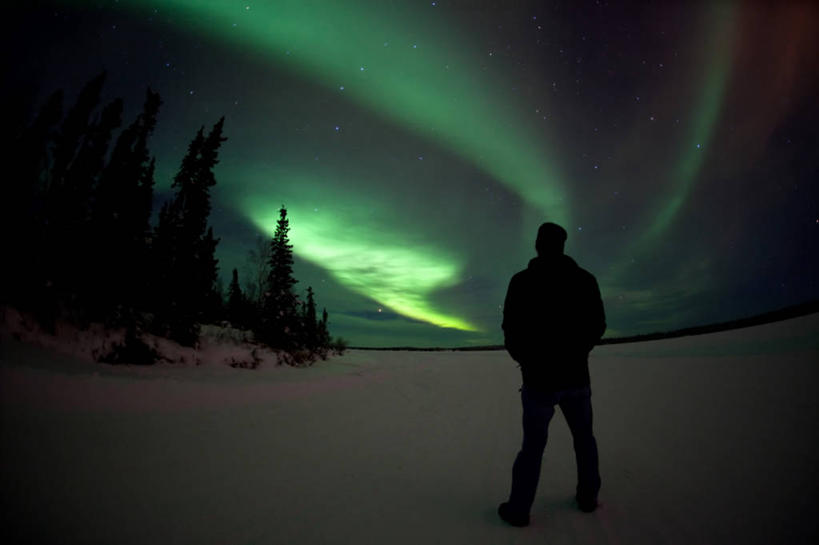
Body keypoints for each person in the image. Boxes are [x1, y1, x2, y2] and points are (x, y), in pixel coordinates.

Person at [498, 222, 606, 527]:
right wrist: (577, 352)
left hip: (538, 382)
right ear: (562, 245)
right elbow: (597, 325)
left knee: (533, 446)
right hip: (576, 379)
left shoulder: (521, 282)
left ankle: (519, 510)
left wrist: (528, 360)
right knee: (584, 439)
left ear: (537, 244)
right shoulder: (585, 280)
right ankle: (588, 497)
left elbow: (510, 330)